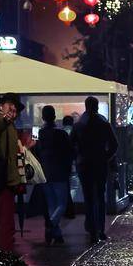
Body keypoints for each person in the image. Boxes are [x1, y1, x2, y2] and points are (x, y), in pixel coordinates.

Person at [72, 95, 118, 243]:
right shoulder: (103, 122)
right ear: (97, 106)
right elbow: (114, 144)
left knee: (88, 197)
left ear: (86, 106)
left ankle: (91, 228)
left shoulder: (79, 124)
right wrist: (105, 156)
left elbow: (71, 143)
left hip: (83, 163)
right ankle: (101, 229)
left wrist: (78, 156)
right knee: (99, 195)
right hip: (99, 162)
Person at [0, 93, 24, 252]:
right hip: (3, 180)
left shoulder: (9, 125)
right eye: (10, 107)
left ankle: (2, 252)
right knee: (4, 221)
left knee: (3, 220)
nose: (13, 112)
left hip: (5, 179)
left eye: (15, 110)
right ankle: (3, 255)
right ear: (0, 106)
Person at [35, 105, 74, 246]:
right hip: (60, 172)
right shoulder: (61, 134)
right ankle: (51, 226)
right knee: (62, 204)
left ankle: (56, 233)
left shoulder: (40, 134)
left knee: (51, 204)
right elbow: (69, 152)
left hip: (45, 172)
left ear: (43, 117)